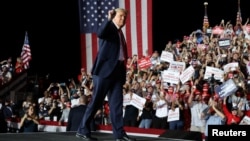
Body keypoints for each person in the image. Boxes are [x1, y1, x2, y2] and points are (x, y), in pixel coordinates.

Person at [76, 8, 136, 141]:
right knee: (96, 101)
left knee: (116, 105)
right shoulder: (109, 28)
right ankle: (82, 130)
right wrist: (108, 19)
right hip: (104, 72)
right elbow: (100, 33)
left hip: (117, 73)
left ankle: (119, 135)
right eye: (120, 16)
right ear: (114, 17)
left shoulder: (120, 33)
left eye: (125, 17)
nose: (123, 19)